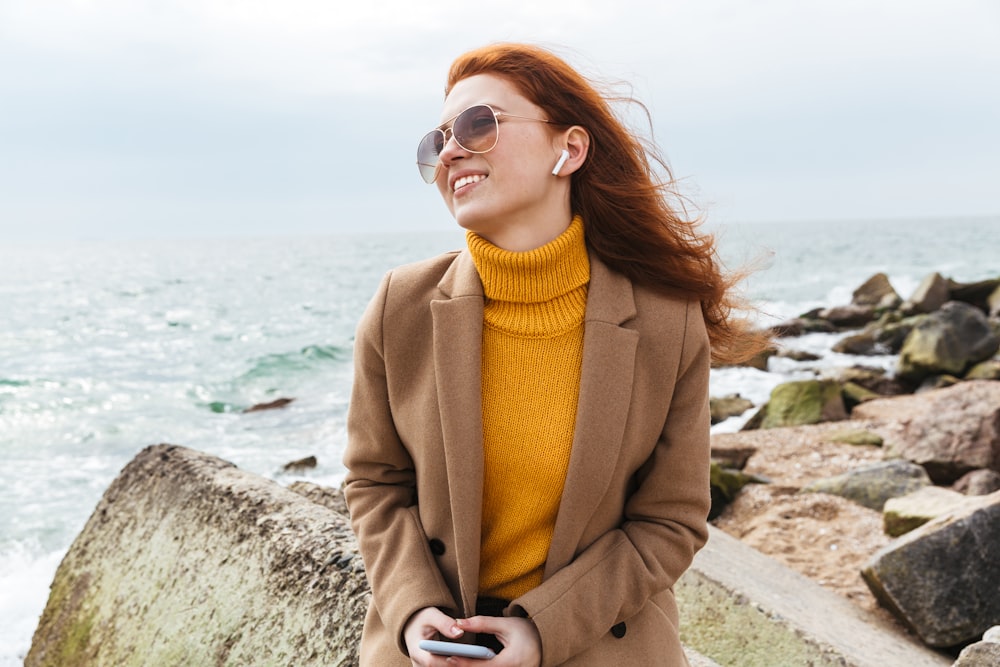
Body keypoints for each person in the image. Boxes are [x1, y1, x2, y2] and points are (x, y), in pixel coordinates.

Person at [343, 43, 768, 666]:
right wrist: (412, 611)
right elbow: (374, 482)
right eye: (436, 142)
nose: (451, 151)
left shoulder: (666, 321)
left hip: (597, 648)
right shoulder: (398, 306)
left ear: (567, 149)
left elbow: (671, 522)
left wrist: (544, 630)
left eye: (477, 124)